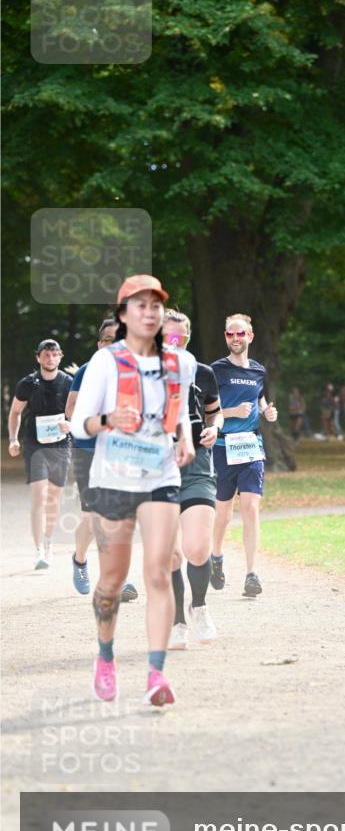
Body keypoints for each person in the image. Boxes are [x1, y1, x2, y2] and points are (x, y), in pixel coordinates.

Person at [70, 275, 195, 707]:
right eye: (139, 305)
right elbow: (78, 422)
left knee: (159, 571)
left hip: (161, 475)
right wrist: (108, 422)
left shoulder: (178, 362)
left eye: (156, 305)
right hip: (113, 479)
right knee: (111, 580)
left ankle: (156, 675)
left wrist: (186, 439)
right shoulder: (105, 363)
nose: (149, 312)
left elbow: (177, 412)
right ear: (124, 315)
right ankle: (105, 657)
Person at [161, 310, 223, 649]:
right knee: (171, 555)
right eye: (170, 337)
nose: (177, 343)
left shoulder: (204, 373)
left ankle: (198, 606)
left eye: (182, 338)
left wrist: (215, 427)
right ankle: (177, 622)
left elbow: (215, 411)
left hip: (197, 462)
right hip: (157, 466)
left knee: (197, 547)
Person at [65, 319, 138, 602]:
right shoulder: (87, 371)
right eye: (107, 340)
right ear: (99, 345)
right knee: (94, 516)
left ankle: (118, 578)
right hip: (88, 449)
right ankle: (80, 560)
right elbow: (70, 410)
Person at [210, 313, 278, 597]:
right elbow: (205, 410)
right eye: (230, 334)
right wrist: (231, 413)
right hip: (223, 448)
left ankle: (251, 573)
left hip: (250, 448)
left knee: (250, 508)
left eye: (240, 334)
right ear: (226, 337)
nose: (235, 339)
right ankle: (215, 556)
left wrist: (267, 412)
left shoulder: (258, 371)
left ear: (250, 336)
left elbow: (259, 400)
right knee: (223, 514)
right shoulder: (216, 370)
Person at [7, 339, 72, 570]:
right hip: (35, 445)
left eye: (54, 355)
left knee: (54, 498)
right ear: (38, 357)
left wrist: (70, 424)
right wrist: (13, 439)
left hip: (60, 446)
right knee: (39, 496)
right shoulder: (28, 383)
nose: (50, 358)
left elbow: (79, 413)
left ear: (60, 357)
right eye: (46, 355)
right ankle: (38, 551)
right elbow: (15, 412)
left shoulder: (68, 383)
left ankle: (49, 541)